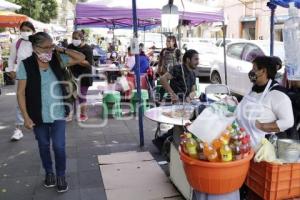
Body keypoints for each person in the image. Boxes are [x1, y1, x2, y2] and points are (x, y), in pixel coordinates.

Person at [16, 32, 85, 192]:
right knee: (44, 145)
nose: (49, 51)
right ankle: (49, 173)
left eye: (51, 47)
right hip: (37, 114)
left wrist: (61, 49)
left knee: (59, 146)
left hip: (58, 112)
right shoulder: (25, 65)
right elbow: (20, 93)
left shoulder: (57, 59)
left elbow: (80, 58)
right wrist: (25, 117)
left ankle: (61, 175)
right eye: (45, 48)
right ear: (34, 48)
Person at [236, 56, 294, 147]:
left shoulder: (277, 94)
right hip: (245, 146)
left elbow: (288, 121)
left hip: (262, 149)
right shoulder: (253, 89)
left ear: (263, 71)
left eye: (254, 69)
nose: (251, 72)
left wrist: (262, 126)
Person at [6, 21, 36, 141]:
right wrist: (11, 70)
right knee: (20, 100)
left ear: (33, 31)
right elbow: (12, 58)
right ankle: (18, 129)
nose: (25, 32)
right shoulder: (17, 43)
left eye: (28, 30)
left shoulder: (37, 42)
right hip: (20, 75)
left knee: (36, 98)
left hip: (35, 76)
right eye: (23, 30)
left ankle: (36, 122)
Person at [67, 30, 93, 122]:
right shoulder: (70, 47)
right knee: (70, 95)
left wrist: (76, 59)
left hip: (84, 75)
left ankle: (83, 115)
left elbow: (89, 63)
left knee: (82, 96)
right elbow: (66, 58)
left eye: (76, 38)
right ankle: (69, 114)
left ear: (82, 38)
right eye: (73, 38)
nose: (74, 40)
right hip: (72, 75)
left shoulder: (87, 49)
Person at [157, 35, 181, 102]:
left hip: (174, 72)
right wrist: (159, 69)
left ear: (173, 42)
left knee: (172, 86)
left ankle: (169, 99)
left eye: (168, 41)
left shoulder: (177, 51)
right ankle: (159, 99)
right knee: (164, 85)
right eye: (166, 41)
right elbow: (160, 61)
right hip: (164, 71)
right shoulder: (163, 51)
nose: (166, 43)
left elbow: (180, 62)